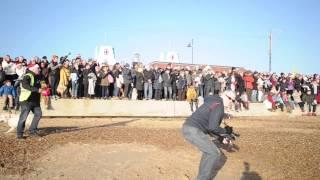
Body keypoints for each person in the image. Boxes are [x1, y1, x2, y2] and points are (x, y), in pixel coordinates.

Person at [182, 93, 234, 180]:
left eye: (234, 100)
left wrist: (220, 138)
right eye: (231, 99)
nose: (231, 101)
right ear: (224, 96)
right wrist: (226, 131)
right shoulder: (219, 104)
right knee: (213, 153)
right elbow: (213, 127)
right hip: (193, 130)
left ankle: (202, 177)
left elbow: (209, 127)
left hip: (190, 128)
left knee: (209, 152)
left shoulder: (214, 101)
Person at [17, 64, 42, 139]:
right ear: (33, 69)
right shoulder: (27, 75)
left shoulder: (37, 76)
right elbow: (25, 85)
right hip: (26, 100)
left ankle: (32, 131)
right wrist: (37, 90)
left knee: (38, 114)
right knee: (23, 117)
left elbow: (39, 86)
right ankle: (19, 134)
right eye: (38, 68)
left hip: (35, 100)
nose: (39, 69)